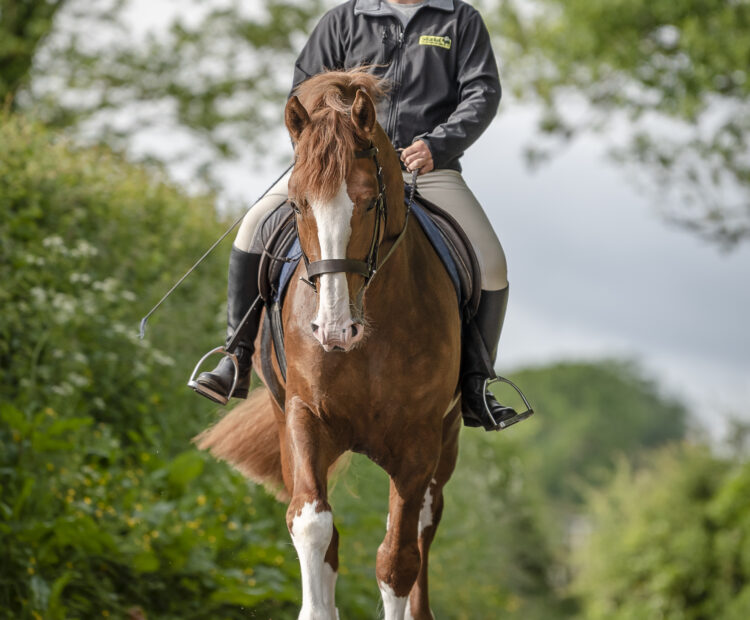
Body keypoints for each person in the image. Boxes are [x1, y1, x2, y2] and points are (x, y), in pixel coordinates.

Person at [192, 0, 518, 430]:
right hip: (342, 170)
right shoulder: (344, 20)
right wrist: (326, 150)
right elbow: (303, 94)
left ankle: (476, 383)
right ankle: (234, 358)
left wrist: (439, 145)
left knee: (492, 264)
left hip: (424, 167)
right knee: (252, 227)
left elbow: (482, 93)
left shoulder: (459, 19)